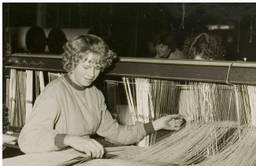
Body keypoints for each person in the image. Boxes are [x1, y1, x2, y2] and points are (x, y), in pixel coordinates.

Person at [18, 34, 185, 158]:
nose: (92, 74)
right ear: (72, 62)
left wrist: (158, 124)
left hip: (79, 165)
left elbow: (118, 134)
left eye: (97, 67)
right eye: (86, 66)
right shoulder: (55, 92)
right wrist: (70, 139)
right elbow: (27, 139)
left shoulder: (95, 95)